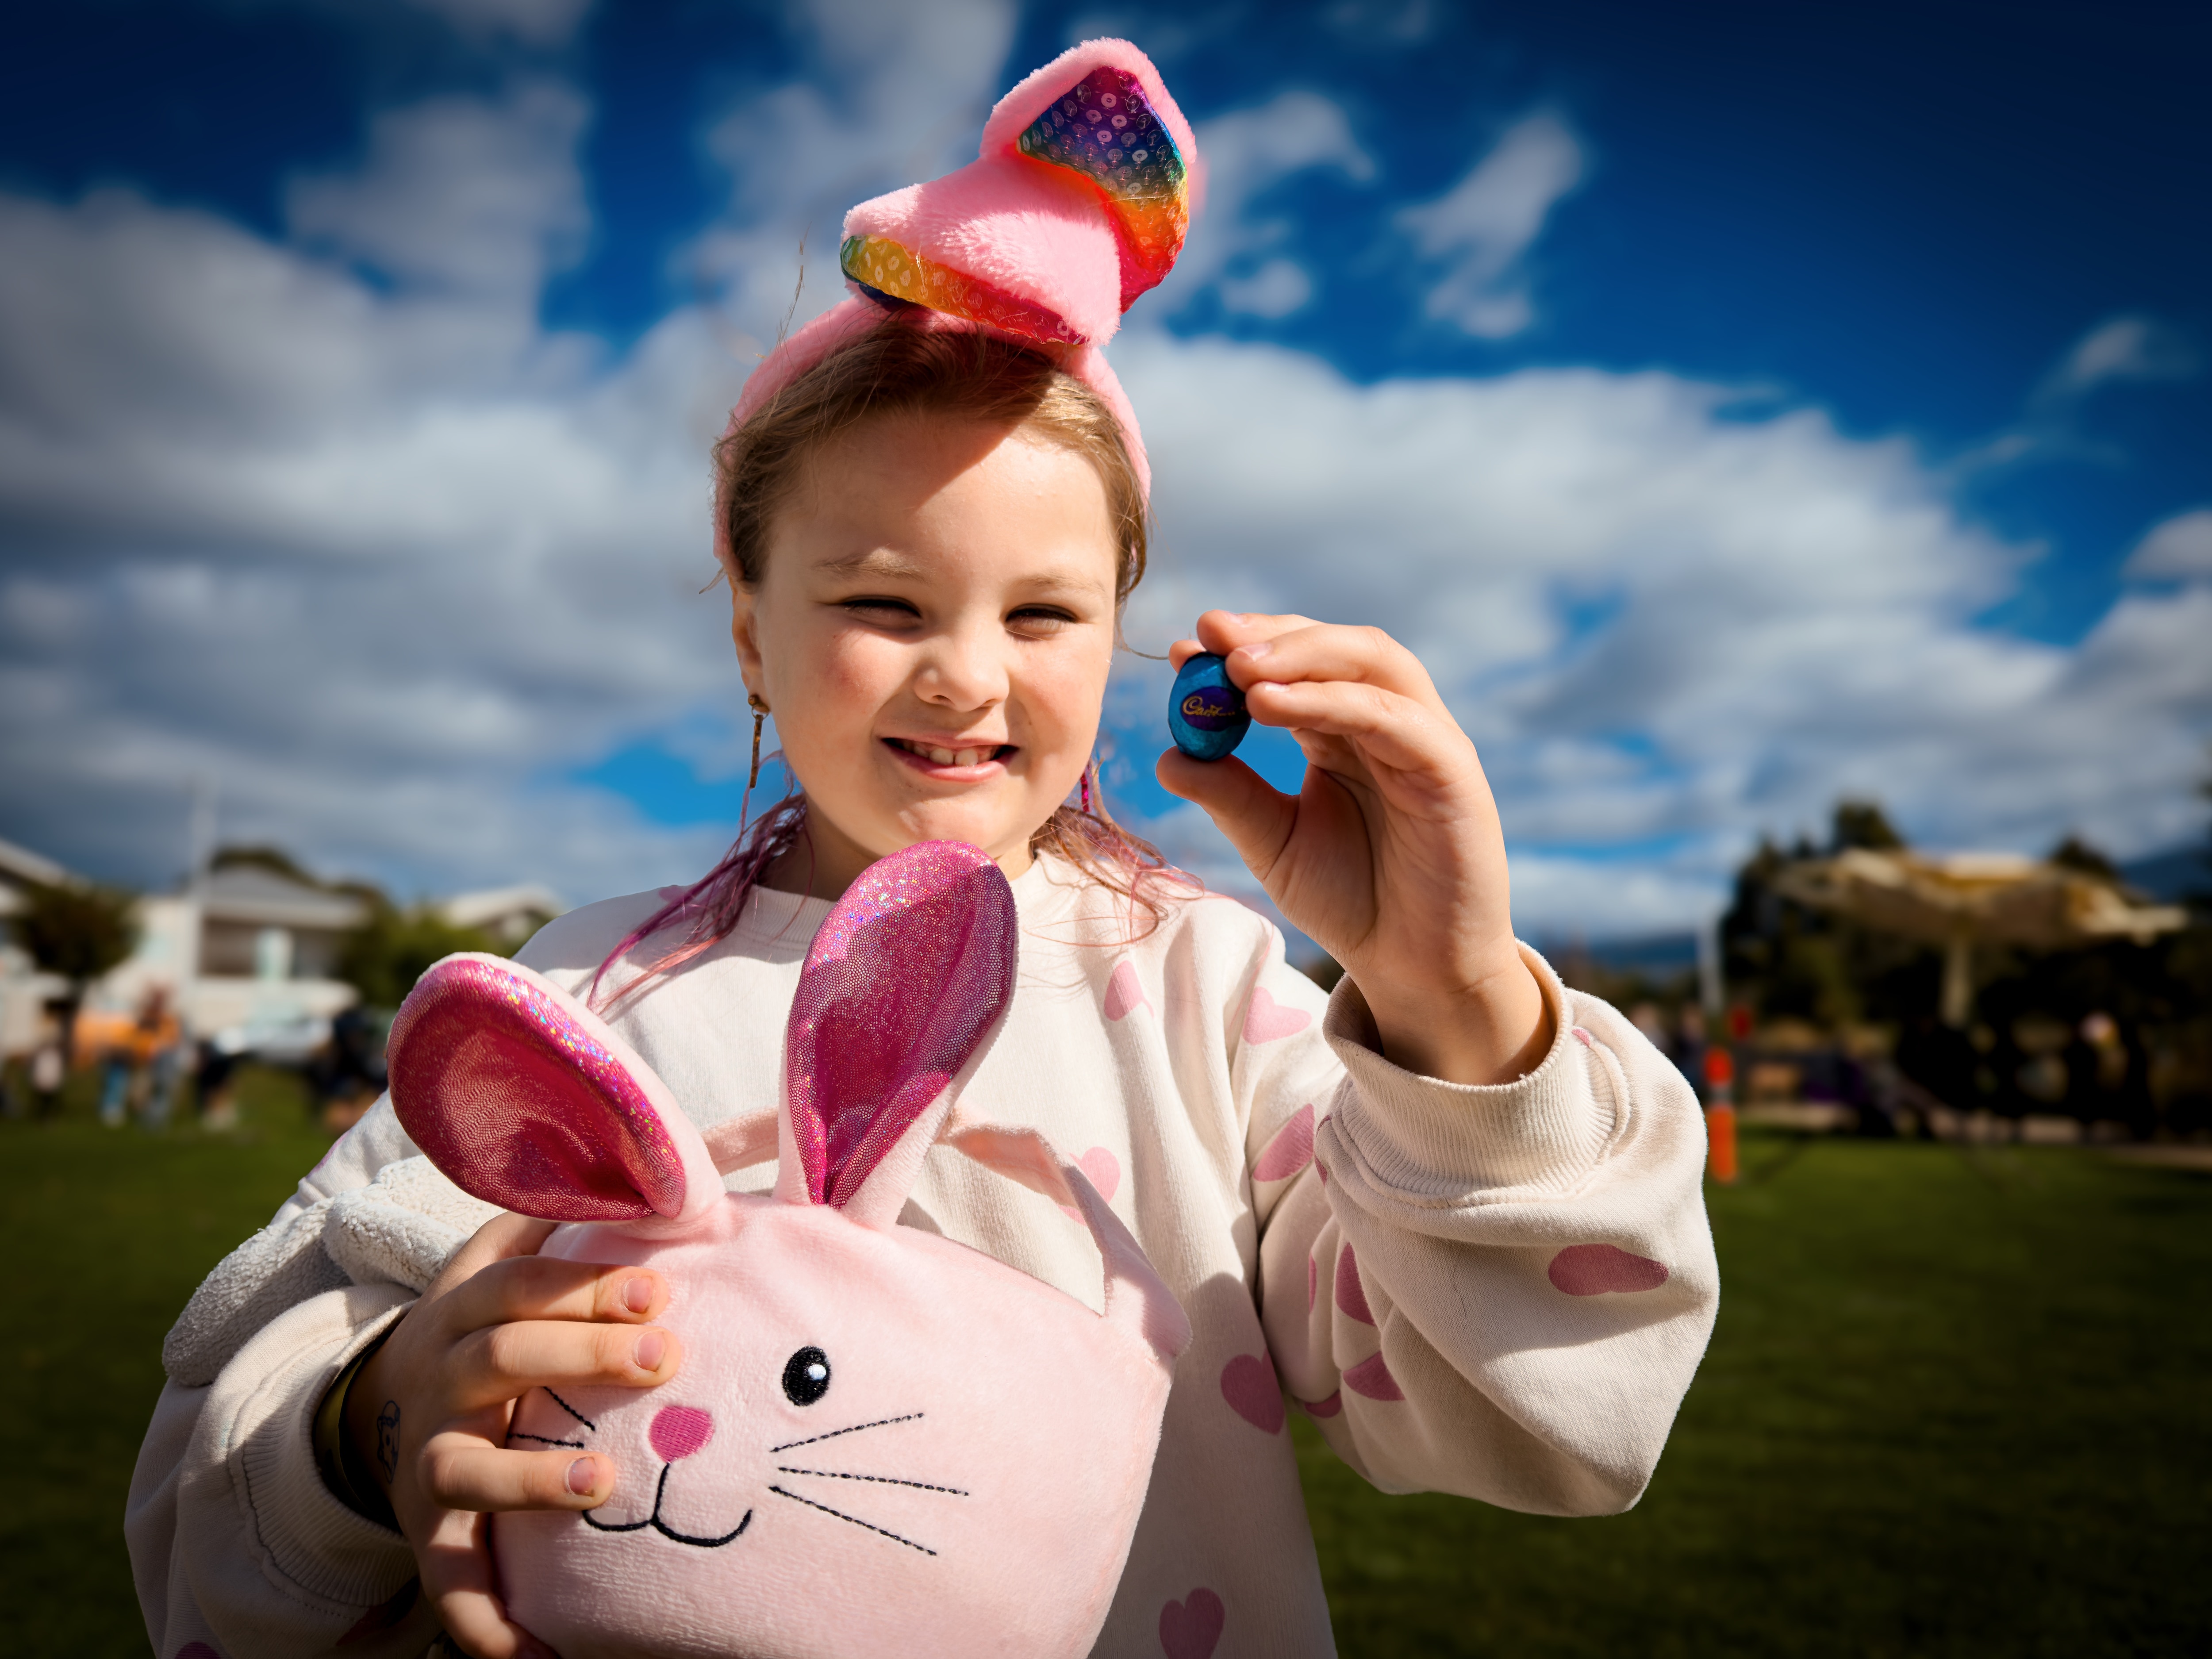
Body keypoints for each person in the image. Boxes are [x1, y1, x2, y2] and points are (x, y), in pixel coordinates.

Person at [127, 42, 1717, 1659]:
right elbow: (217, 1491)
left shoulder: (1204, 993)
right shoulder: (584, 996)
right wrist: (376, 1422)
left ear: (1122, 640)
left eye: (1044, 612)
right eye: (883, 604)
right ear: (751, 631)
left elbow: (1533, 1424)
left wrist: (1448, 1002)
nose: (965, 674)